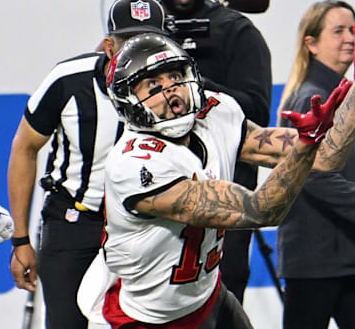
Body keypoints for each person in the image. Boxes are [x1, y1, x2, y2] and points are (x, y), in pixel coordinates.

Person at [96, 32, 354, 329]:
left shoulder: (215, 113)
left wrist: (316, 137)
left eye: (176, 77)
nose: (172, 91)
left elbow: (326, 157)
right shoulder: (135, 164)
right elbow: (259, 210)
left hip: (207, 296)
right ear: (128, 99)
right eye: (153, 85)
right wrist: (306, 145)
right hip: (148, 318)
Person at [8, 0, 167, 329]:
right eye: (132, 45)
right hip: (75, 223)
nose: (144, 57)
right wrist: (21, 240)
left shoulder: (176, 86)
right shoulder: (69, 79)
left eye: (152, 45)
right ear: (110, 47)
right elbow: (24, 147)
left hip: (146, 229)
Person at [158, 0, 272, 302]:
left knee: (224, 292)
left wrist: (195, 84)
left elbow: (257, 112)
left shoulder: (236, 31)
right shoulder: (140, 35)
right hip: (157, 186)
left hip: (227, 189)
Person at [277, 0, 355, 329]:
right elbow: (314, 176)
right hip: (315, 260)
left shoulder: (340, 92)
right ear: (311, 43)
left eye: (353, 30)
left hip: (341, 256)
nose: (350, 38)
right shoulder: (312, 98)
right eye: (338, 31)